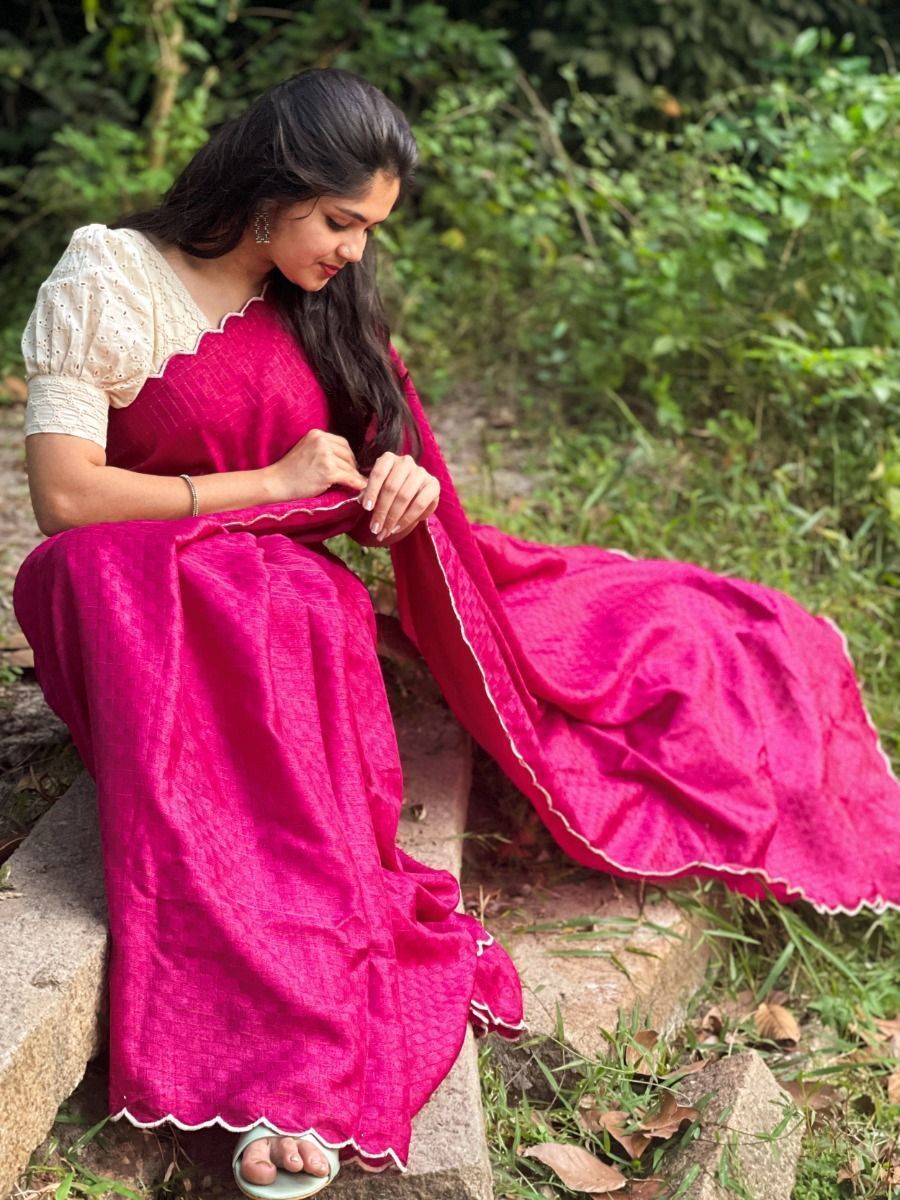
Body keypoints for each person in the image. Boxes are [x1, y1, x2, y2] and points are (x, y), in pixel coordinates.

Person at [14, 66, 900, 1200]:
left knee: (305, 610)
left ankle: (295, 1029)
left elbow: (382, 461)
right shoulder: (110, 275)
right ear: (270, 188)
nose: (354, 253)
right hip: (130, 595)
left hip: (271, 609)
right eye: (341, 222)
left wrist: (403, 485)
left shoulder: (321, 309)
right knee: (191, 590)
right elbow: (66, 500)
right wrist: (264, 484)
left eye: (370, 231)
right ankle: (264, 1054)